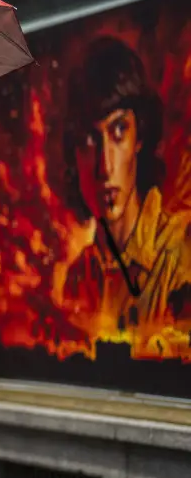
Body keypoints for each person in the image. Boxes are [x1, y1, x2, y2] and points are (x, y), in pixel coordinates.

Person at [59, 37, 191, 345]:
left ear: (139, 136)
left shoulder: (180, 254)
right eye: (90, 141)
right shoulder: (80, 278)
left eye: (119, 131)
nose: (105, 167)